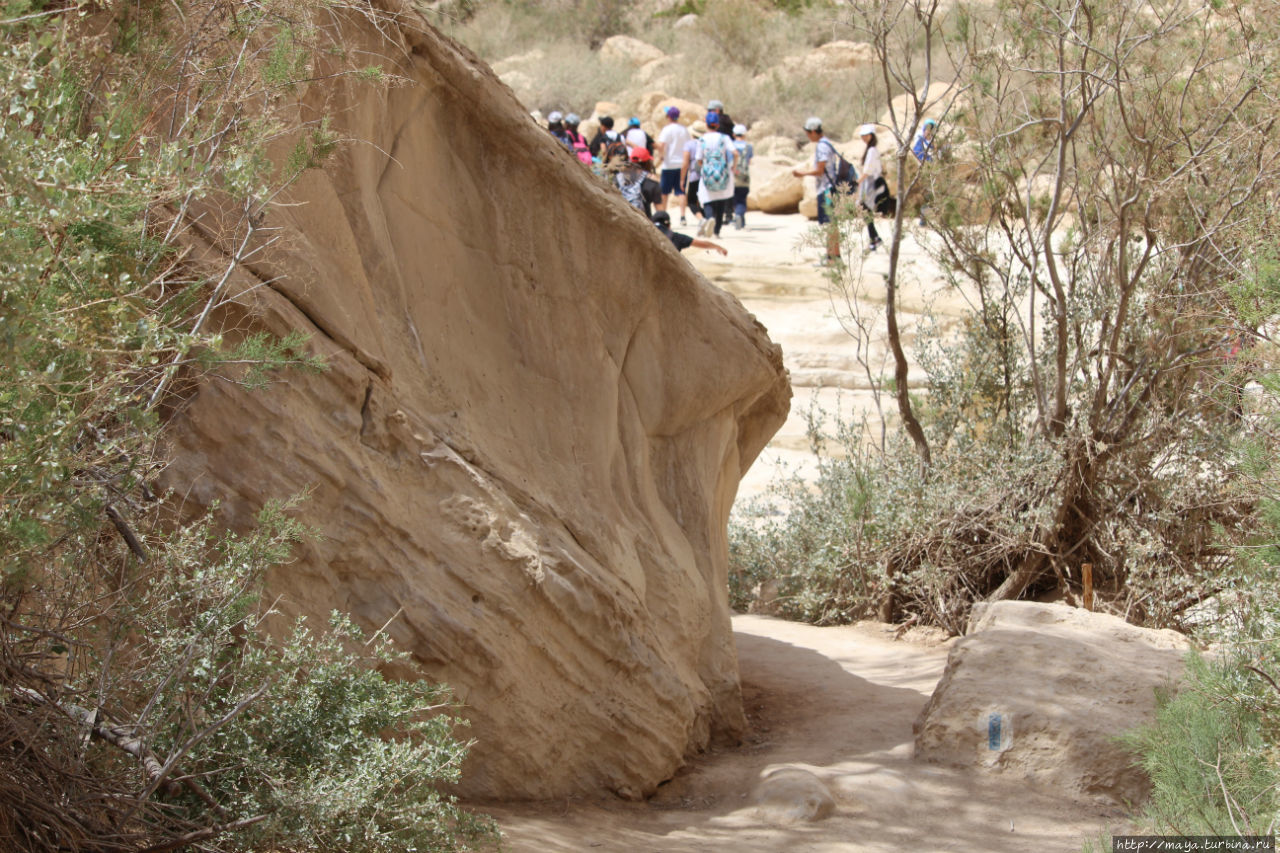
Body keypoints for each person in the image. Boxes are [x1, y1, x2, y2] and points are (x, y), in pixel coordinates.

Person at [792, 116, 842, 265]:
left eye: (808, 132)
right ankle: (834, 257)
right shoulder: (826, 144)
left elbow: (820, 170)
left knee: (830, 225)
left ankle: (831, 258)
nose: (807, 135)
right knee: (832, 225)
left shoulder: (822, 146)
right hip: (830, 188)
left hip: (827, 189)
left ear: (814, 131)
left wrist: (802, 174)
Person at [695, 111, 735, 238]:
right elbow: (735, 152)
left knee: (707, 199)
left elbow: (699, 158)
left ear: (706, 125)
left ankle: (709, 217)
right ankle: (717, 232)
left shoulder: (702, 139)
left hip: (707, 172)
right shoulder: (724, 138)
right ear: (718, 125)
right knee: (721, 200)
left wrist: (705, 166)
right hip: (722, 173)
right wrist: (733, 166)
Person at [655, 106, 691, 216]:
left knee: (664, 192)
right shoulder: (684, 129)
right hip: (681, 164)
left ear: (668, 117)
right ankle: (683, 216)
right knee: (681, 191)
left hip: (669, 164)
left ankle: (663, 213)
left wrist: (661, 156)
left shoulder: (667, 129)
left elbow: (661, 145)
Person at [858, 123, 884, 252]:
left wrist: (858, 181)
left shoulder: (872, 150)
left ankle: (875, 239)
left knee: (866, 210)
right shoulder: (870, 149)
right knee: (866, 211)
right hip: (868, 182)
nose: (863, 137)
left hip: (870, 183)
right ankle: (874, 238)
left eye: (865, 135)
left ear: (871, 136)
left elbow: (868, 170)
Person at [652, 210, 727, 255]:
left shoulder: (649, 234)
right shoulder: (675, 237)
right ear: (669, 225)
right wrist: (719, 247)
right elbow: (703, 244)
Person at [616, 148, 661, 218]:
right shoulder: (651, 183)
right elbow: (660, 212)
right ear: (648, 163)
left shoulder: (618, 179)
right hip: (643, 225)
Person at [911, 118, 937, 225]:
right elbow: (916, 153)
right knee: (928, 196)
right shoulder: (920, 141)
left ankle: (926, 219)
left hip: (932, 172)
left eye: (931, 129)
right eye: (927, 129)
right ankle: (923, 220)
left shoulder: (933, 143)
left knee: (931, 196)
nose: (929, 131)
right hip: (924, 172)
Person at [731, 123, 753, 230]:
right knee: (742, 198)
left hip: (733, 175)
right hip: (745, 175)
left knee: (735, 198)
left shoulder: (731, 145)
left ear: (734, 134)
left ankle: (738, 215)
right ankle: (741, 219)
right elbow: (749, 160)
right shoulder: (749, 147)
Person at [680, 132, 703, 228]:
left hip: (694, 175)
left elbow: (685, 163)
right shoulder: (704, 142)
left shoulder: (689, 145)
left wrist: (682, 179)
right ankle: (709, 216)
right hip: (707, 175)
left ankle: (701, 218)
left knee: (692, 200)